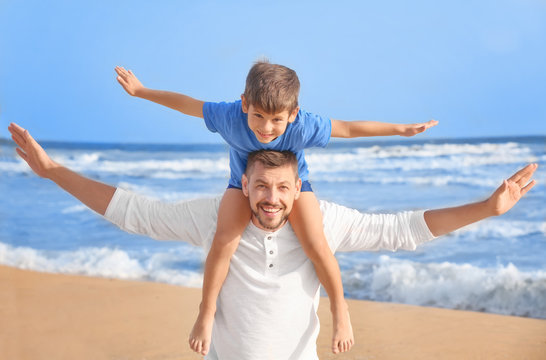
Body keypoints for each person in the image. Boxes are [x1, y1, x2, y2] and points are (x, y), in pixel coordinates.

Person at [8, 122, 537, 360]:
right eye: (261, 185)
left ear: (297, 189)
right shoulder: (218, 220)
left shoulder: (321, 221)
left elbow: (402, 230)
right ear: (244, 185)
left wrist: (486, 210)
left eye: (283, 188)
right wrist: (54, 171)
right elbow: (132, 213)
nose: (271, 198)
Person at [114, 61, 439, 355]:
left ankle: (341, 311)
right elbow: (189, 105)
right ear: (244, 104)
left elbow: (349, 129)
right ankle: (206, 313)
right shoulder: (230, 116)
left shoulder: (303, 125)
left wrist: (400, 129)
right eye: (258, 117)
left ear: (293, 113)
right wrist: (141, 91)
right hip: (244, 185)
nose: (266, 129)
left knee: (316, 244)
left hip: (290, 188)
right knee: (224, 241)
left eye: (276, 120)